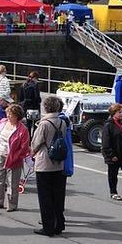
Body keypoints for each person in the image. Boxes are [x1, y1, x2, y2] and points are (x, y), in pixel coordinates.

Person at [31, 95, 68, 236]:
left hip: (44, 163)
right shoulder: (62, 122)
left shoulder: (44, 123)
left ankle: (48, 227)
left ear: (46, 107)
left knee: (45, 197)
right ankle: (59, 224)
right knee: (57, 195)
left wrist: (32, 152)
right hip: (58, 163)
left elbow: (36, 143)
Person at [0, 104, 30, 212]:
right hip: (0, 154)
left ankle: (12, 204)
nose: (8, 116)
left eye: (11, 115)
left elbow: (24, 147)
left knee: (12, 182)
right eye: (7, 113)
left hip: (13, 157)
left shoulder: (22, 129)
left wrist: (16, 157)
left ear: (17, 116)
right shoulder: (2, 122)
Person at [101, 104, 122, 201]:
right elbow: (106, 142)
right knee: (113, 174)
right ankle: (113, 192)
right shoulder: (109, 125)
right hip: (115, 155)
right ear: (113, 113)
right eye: (119, 112)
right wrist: (111, 155)